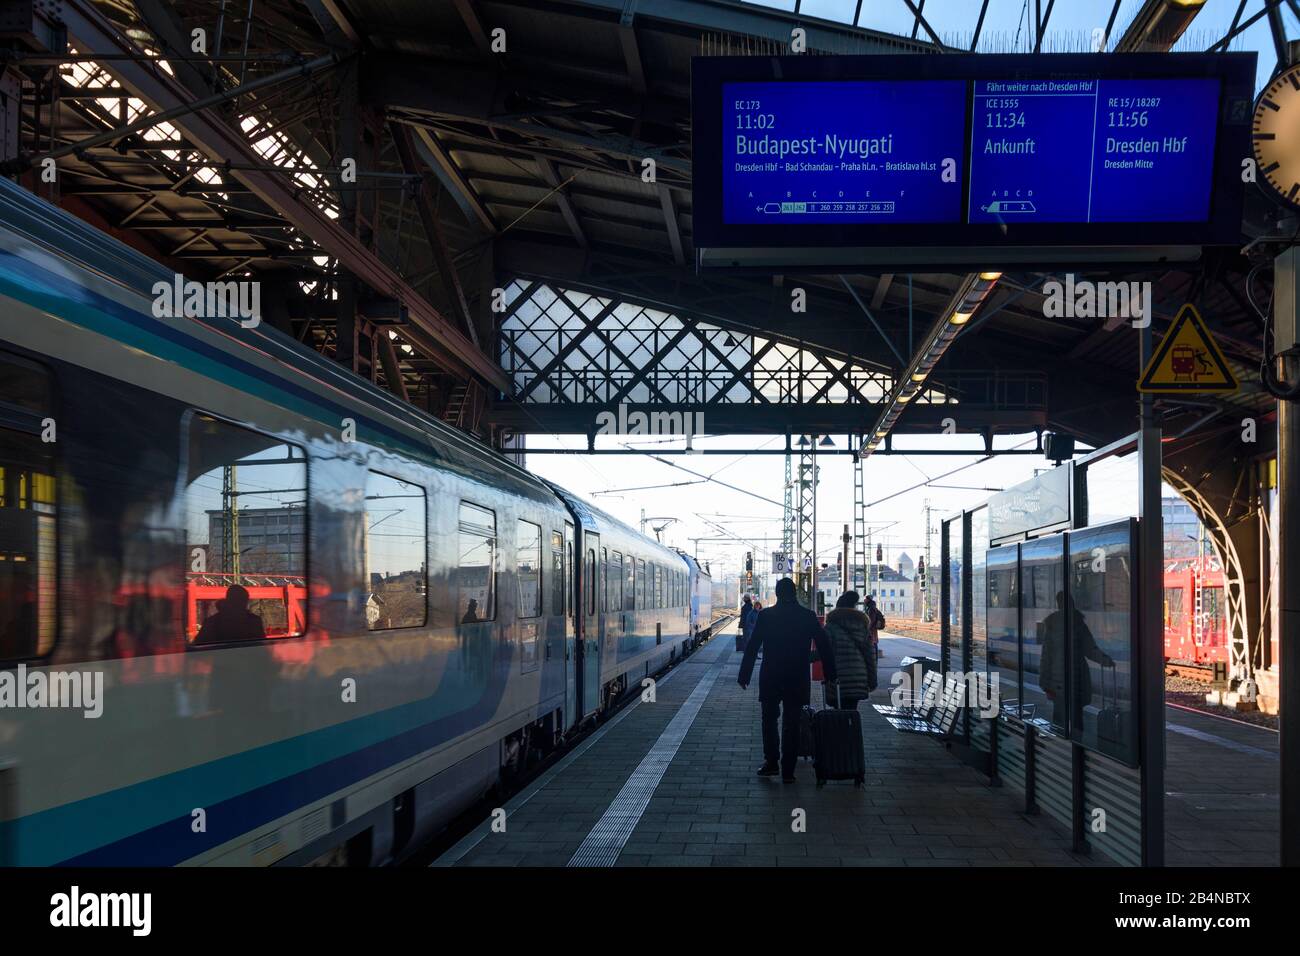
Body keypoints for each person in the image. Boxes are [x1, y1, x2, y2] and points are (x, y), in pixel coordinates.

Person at [737, 577, 837, 783]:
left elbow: (753, 646)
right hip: (797, 677)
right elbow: (825, 646)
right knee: (792, 723)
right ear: (794, 594)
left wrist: (744, 674)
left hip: (771, 675)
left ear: (777, 593)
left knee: (769, 720)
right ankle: (788, 771)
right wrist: (830, 674)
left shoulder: (766, 616)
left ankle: (771, 763)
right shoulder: (807, 616)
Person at [1039, 590, 1113, 730]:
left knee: (1059, 719)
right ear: (1071, 603)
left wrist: (1044, 682)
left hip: (1057, 680)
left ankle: (1062, 746)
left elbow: (1046, 655)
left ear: (1058, 604)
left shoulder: (1051, 624)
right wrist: (1105, 660)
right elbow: (1090, 649)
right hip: (1077, 677)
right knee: (1077, 718)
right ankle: (1076, 747)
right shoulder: (1078, 623)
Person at [823, 591, 875, 709]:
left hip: (837, 677)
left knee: (838, 716)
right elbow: (870, 655)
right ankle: (853, 727)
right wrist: (872, 681)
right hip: (857, 677)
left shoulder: (830, 626)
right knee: (852, 712)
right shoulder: (862, 626)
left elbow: (825, 652)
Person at [194, 584, 265, 645]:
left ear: (228, 600)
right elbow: (261, 647)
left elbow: (197, 646)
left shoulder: (212, 622)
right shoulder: (254, 622)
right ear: (245, 601)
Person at [863, 593, 885, 659]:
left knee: (873, 643)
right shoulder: (871, 607)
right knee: (874, 643)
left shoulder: (871, 609)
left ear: (868, 599)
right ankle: (874, 658)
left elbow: (871, 620)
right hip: (873, 629)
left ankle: (874, 658)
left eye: (865, 599)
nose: (864, 600)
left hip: (871, 629)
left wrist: (867, 628)